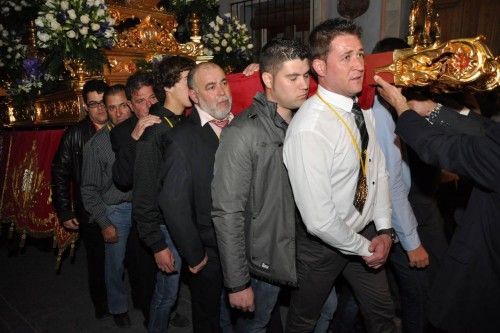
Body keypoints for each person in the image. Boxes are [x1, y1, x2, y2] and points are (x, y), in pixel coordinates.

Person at [282, 18, 396, 333]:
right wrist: (363, 248)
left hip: (366, 231)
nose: (359, 65)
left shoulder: (358, 109)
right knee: (304, 321)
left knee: (382, 316)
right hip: (321, 246)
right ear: (319, 66)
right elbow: (319, 220)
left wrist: (385, 229)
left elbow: (377, 171)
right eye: (346, 57)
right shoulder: (309, 129)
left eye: (360, 54)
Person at [374, 74, 500, 332]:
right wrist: (432, 110)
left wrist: (402, 109)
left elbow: (438, 147)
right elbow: (489, 133)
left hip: (486, 269)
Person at [212, 38, 310, 332]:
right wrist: (237, 281)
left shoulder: (304, 123)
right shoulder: (243, 132)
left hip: (302, 251)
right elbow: (227, 212)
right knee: (253, 326)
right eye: (293, 77)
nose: (303, 84)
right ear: (268, 79)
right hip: (262, 261)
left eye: (306, 75)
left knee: (322, 311)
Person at [157, 61, 233, 332]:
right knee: (208, 317)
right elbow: (173, 202)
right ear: (194, 96)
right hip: (208, 253)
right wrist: (194, 254)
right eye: (211, 87)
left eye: (224, 82)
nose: (222, 91)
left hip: (244, 246)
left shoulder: (240, 125)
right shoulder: (181, 138)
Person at [133, 55, 195, 333]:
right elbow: (144, 195)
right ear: (169, 87)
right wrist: (157, 244)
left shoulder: (184, 121)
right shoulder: (154, 130)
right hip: (163, 226)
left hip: (184, 220)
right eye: (187, 81)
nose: (194, 87)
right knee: (167, 294)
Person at [51, 79, 109, 319]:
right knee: (97, 260)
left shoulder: (122, 126)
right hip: (90, 210)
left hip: (122, 206)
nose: (100, 109)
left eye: (103, 102)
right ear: (85, 106)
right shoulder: (75, 134)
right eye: (94, 104)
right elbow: (60, 173)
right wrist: (65, 211)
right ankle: (101, 306)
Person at [108, 71, 161, 326]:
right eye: (141, 101)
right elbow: (122, 178)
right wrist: (135, 137)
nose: (149, 105)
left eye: (152, 97)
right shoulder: (122, 133)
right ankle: (152, 316)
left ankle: (165, 306)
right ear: (130, 104)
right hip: (143, 213)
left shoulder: (168, 119)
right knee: (145, 269)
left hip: (170, 209)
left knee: (170, 269)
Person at [81, 84, 134, 328]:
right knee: (115, 265)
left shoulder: (145, 129)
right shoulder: (96, 145)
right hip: (116, 211)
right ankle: (118, 306)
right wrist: (105, 223)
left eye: (123, 105)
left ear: (130, 104)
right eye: (112, 108)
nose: (119, 112)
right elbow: (88, 190)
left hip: (144, 206)